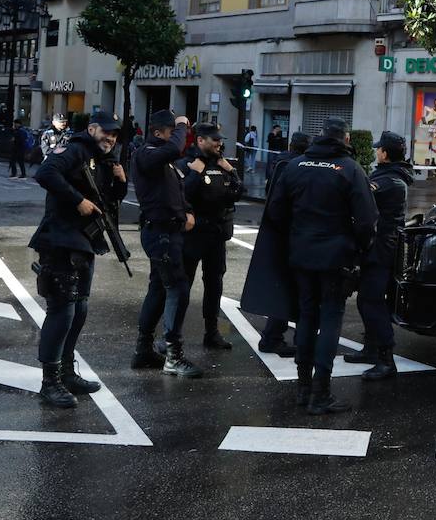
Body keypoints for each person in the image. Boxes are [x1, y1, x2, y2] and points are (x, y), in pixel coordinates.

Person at [263, 117, 377, 412]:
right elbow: (367, 220)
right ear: (345, 139)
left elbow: (274, 211)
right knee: (330, 319)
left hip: (300, 254)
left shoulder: (294, 166)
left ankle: (303, 388)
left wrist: (296, 235)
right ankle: (320, 393)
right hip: (336, 256)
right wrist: (359, 247)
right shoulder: (350, 170)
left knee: (306, 316)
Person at [28, 112, 127, 408]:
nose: (110, 138)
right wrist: (77, 200)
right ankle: (50, 381)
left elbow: (110, 200)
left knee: (80, 309)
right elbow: (45, 174)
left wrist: (121, 181)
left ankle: (68, 372)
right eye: (105, 131)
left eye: (115, 134)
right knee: (62, 311)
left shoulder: (104, 159)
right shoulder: (74, 149)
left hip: (84, 244)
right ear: (92, 128)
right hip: (59, 241)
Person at [130, 110, 203, 377]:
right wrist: (182, 125)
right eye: (172, 132)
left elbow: (174, 190)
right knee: (177, 289)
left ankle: (143, 349)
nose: (178, 138)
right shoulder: (148, 153)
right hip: (160, 233)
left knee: (160, 289)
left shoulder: (163, 160)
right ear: (159, 132)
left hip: (168, 231)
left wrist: (187, 211)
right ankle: (173, 355)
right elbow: (174, 148)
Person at [344, 130, 412, 380]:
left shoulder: (389, 182)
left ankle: (386, 359)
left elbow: (359, 196)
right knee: (365, 300)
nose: (375, 152)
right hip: (377, 247)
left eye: (378, 149)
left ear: (385, 154)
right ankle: (372, 349)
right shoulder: (390, 176)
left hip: (381, 249)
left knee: (372, 301)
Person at [181, 123, 243, 350]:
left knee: (214, 285)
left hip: (216, 236)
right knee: (183, 286)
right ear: (200, 141)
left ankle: (212, 331)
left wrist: (232, 171)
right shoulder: (188, 163)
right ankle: (173, 335)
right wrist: (195, 174)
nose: (219, 143)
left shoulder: (222, 164)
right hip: (194, 236)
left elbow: (237, 193)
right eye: (214, 140)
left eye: (219, 140)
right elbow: (182, 195)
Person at [257, 131, 311, 357]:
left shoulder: (279, 163)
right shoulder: (298, 168)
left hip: (278, 234)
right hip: (295, 235)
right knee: (300, 289)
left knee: (286, 286)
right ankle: (278, 338)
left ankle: (273, 336)